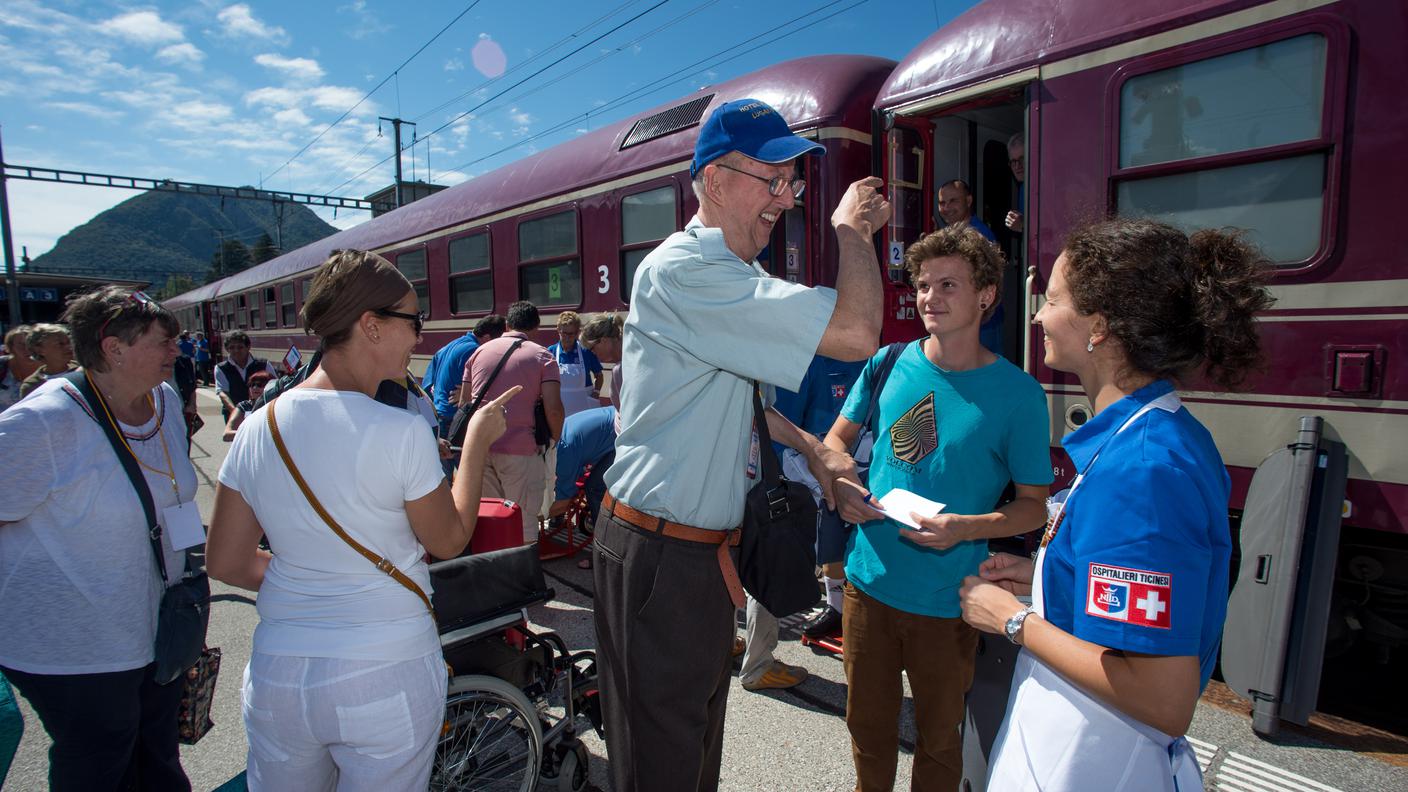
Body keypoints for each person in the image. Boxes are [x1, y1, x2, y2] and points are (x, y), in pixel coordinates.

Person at [595, 96, 890, 792]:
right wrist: (850, 232)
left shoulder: (731, 277)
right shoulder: (690, 272)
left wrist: (815, 453)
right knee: (663, 762)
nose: (787, 198)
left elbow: (743, 398)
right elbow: (854, 333)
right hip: (662, 552)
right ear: (715, 178)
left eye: (794, 184)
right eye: (775, 179)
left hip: (688, 552)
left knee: (693, 748)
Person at [960, 219, 1274, 792]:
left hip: (1094, 761)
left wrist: (1011, 619)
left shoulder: (1144, 469)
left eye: (1052, 298)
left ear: (1099, 326)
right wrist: (1046, 579)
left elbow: (1161, 696)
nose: (1037, 316)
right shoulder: (1152, 436)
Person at [206, 249, 518, 790]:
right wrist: (474, 446)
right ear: (371, 325)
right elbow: (447, 540)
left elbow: (226, 561)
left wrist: (308, 579)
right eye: (412, 322)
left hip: (281, 675)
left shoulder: (259, 427)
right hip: (384, 671)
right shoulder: (398, 430)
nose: (418, 338)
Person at [825, 226, 1053, 792]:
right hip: (867, 586)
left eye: (948, 285)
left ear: (985, 296)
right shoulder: (888, 362)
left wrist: (964, 529)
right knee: (867, 733)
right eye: (924, 285)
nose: (930, 298)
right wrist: (842, 486)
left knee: (940, 742)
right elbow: (834, 445)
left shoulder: (1019, 394)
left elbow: (1033, 509)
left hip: (949, 602)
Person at [0, 287, 193, 791]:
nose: (178, 349)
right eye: (164, 340)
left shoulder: (165, 401)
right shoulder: (43, 422)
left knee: (158, 758)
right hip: (75, 647)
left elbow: (171, 498)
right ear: (113, 348)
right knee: (101, 761)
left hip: (157, 626)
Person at [461, 300, 564, 540]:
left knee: (490, 514)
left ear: (507, 325)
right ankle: (521, 571)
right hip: (521, 450)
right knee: (524, 518)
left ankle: (494, 567)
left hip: (481, 448)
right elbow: (554, 409)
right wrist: (553, 441)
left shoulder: (478, 352)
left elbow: (465, 403)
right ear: (536, 327)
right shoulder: (543, 356)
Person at [936, 180, 1004, 353]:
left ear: (968, 201)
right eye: (942, 203)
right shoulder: (953, 233)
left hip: (982, 325)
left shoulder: (979, 235)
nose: (947, 207)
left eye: (953, 201)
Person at [421, 313, 507, 439]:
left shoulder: (447, 347)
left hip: (440, 415)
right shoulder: (475, 351)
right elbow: (489, 387)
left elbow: (428, 384)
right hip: (454, 418)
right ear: (488, 338)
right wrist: (469, 392)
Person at [547, 311, 605, 416]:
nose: (568, 337)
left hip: (584, 406)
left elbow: (599, 375)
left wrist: (596, 392)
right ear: (558, 330)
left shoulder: (585, 351)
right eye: (564, 333)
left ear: (577, 332)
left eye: (571, 334)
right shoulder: (551, 351)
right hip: (561, 407)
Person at [214, 330, 276, 423]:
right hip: (234, 414)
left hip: (262, 413)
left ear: (248, 347)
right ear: (227, 349)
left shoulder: (263, 364)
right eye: (232, 347)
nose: (236, 350)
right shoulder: (221, 368)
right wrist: (236, 412)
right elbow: (223, 393)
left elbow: (275, 386)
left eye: (240, 347)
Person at [18, 323, 77, 398]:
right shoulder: (32, 386)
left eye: (68, 342)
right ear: (39, 350)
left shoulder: (85, 371)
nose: (69, 347)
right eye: (60, 344)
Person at [221, 370, 274, 441]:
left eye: (260, 384)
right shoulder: (244, 406)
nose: (255, 388)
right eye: (252, 385)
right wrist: (254, 434)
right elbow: (226, 435)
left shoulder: (276, 406)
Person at [0, 324, 38, 412]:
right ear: (11, 347)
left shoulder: (51, 366)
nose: (27, 348)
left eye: (30, 343)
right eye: (21, 344)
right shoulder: (2, 365)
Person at [1004, 132, 1026, 234]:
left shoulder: (1049, 188)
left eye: (1022, 159)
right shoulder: (1023, 188)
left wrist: (1022, 226)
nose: (1017, 166)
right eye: (1013, 162)